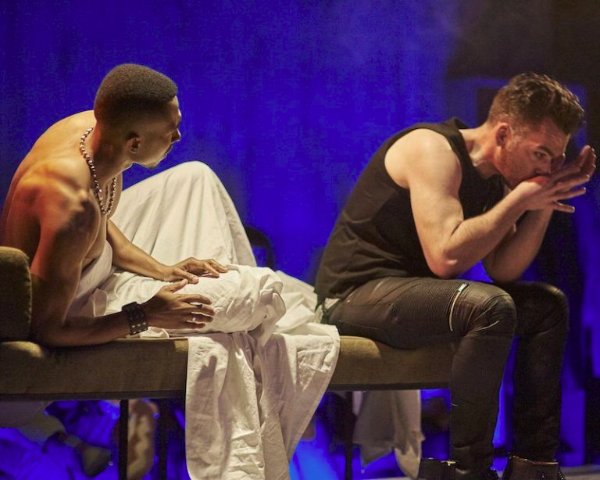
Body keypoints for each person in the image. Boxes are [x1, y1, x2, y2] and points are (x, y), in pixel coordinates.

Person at [0, 63, 338, 479]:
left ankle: (259, 323)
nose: (178, 137)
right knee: (236, 311)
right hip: (72, 306)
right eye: (171, 130)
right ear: (134, 142)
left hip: (87, 261)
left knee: (196, 178)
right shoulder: (70, 205)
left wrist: (163, 269)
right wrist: (146, 315)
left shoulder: (93, 131)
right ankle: (247, 444)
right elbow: (47, 329)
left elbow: (102, 219)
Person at [315, 73, 596, 480]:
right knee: (489, 306)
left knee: (546, 305)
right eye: (541, 154)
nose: (549, 168)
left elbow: (504, 268)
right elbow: (445, 258)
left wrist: (543, 203)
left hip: (414, 296)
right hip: (354, 295)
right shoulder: (432, 150)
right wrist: (520, 200)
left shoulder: (500, 180)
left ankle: (532, 466)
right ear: (503, 134)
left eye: (556, 158)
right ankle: (468, 470)